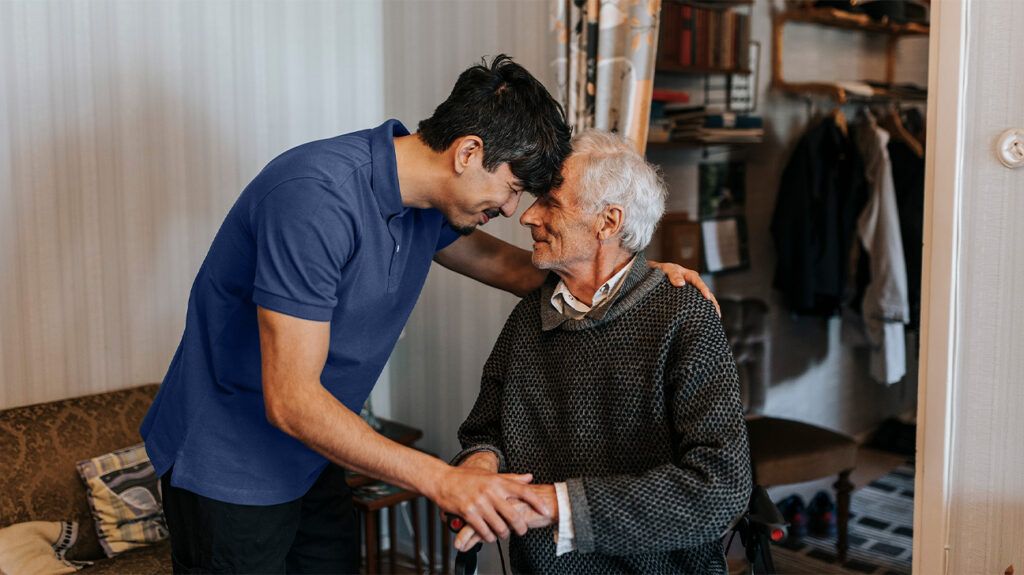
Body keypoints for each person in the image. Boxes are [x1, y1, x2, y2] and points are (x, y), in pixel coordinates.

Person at [140, 55, 715, 574]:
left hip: (314, 456)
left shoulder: (428, 205)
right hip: (230, 463)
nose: (514, 211)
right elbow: (290, 400)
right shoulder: (315, 199)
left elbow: (514, 269)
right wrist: (443, 480)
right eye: (512, 188)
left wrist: (637, 275)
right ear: (468, 152)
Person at [451, 130, 751, 574]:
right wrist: (479, 464)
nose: (527, 217)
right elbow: (486, 429)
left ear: (608, 223)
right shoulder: (527, 321)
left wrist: (557, 505)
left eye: (550, 202)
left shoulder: (683, 317)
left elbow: (721, 487)